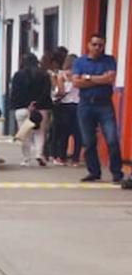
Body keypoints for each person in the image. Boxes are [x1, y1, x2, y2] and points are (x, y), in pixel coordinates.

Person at [72, 34, 123, 183]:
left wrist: (87, 78)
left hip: (104, 104)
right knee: (88, 141)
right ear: (88, 45)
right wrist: (99, 79)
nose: (97, 48)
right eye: (94, 44)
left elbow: (110, 79)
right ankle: (94, 172)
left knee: (112, 139)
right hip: (85, 104)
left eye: (100, 45)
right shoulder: (79, 62)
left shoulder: (109, 60)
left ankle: (116, 173)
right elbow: (76, 82)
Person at [11, 53, 54, 166]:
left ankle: (26, 159)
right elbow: (46, 92)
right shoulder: (44, 75)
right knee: (40, 132)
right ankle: (39, 153)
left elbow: (15, 93)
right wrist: (36, 103)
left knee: (25, 133)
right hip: (41, 108)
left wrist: (25, 104)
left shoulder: (18, 75)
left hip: (22, 109)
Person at [52, 53, 82, 166]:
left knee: (64, 133)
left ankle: (62, 157)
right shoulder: (79, 75)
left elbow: (61, 92)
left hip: (65, 106)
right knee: (77, 133)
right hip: (78, 105)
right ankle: (75, 159)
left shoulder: (62, 75)